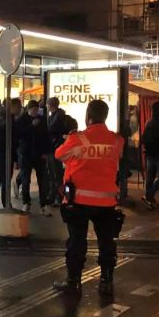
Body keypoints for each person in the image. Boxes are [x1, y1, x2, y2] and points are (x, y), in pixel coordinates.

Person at [53, 100, 124, 296]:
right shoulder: (117, 140)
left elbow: (59, 155)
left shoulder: (78, 139)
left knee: (76, 241)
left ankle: (73, 280)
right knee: (106, 242)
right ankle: (106, 280)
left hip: (78, 202)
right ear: (105, 116)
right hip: (107, 202)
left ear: (88, 117)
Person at [15, 100, 51, 216]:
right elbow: (19, 135)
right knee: (26, 179)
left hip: (39, 154)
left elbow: (46, 136)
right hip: (26, 153)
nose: (36, 112)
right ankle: (26, 202)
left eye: (37, 110)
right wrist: (31, 126)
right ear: (29, 109)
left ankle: (43, 204)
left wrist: (46, 152)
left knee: (42, 180)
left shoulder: (42, 120)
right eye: (34, 110)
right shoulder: (22, 120)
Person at [141, 101, 159, 209]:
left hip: (149, 152)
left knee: (150, 176)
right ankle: (149, 195)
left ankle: (150, 199)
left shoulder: (149, 121)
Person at [46, 97, 69, 207]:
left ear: (50, 105)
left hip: (55, 147)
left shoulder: (57, 116)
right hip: (54, 147)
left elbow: (51, 130)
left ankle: (58, 197)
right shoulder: (56, 115)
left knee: (56, 173)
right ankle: (54, 195)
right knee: (54, 173)